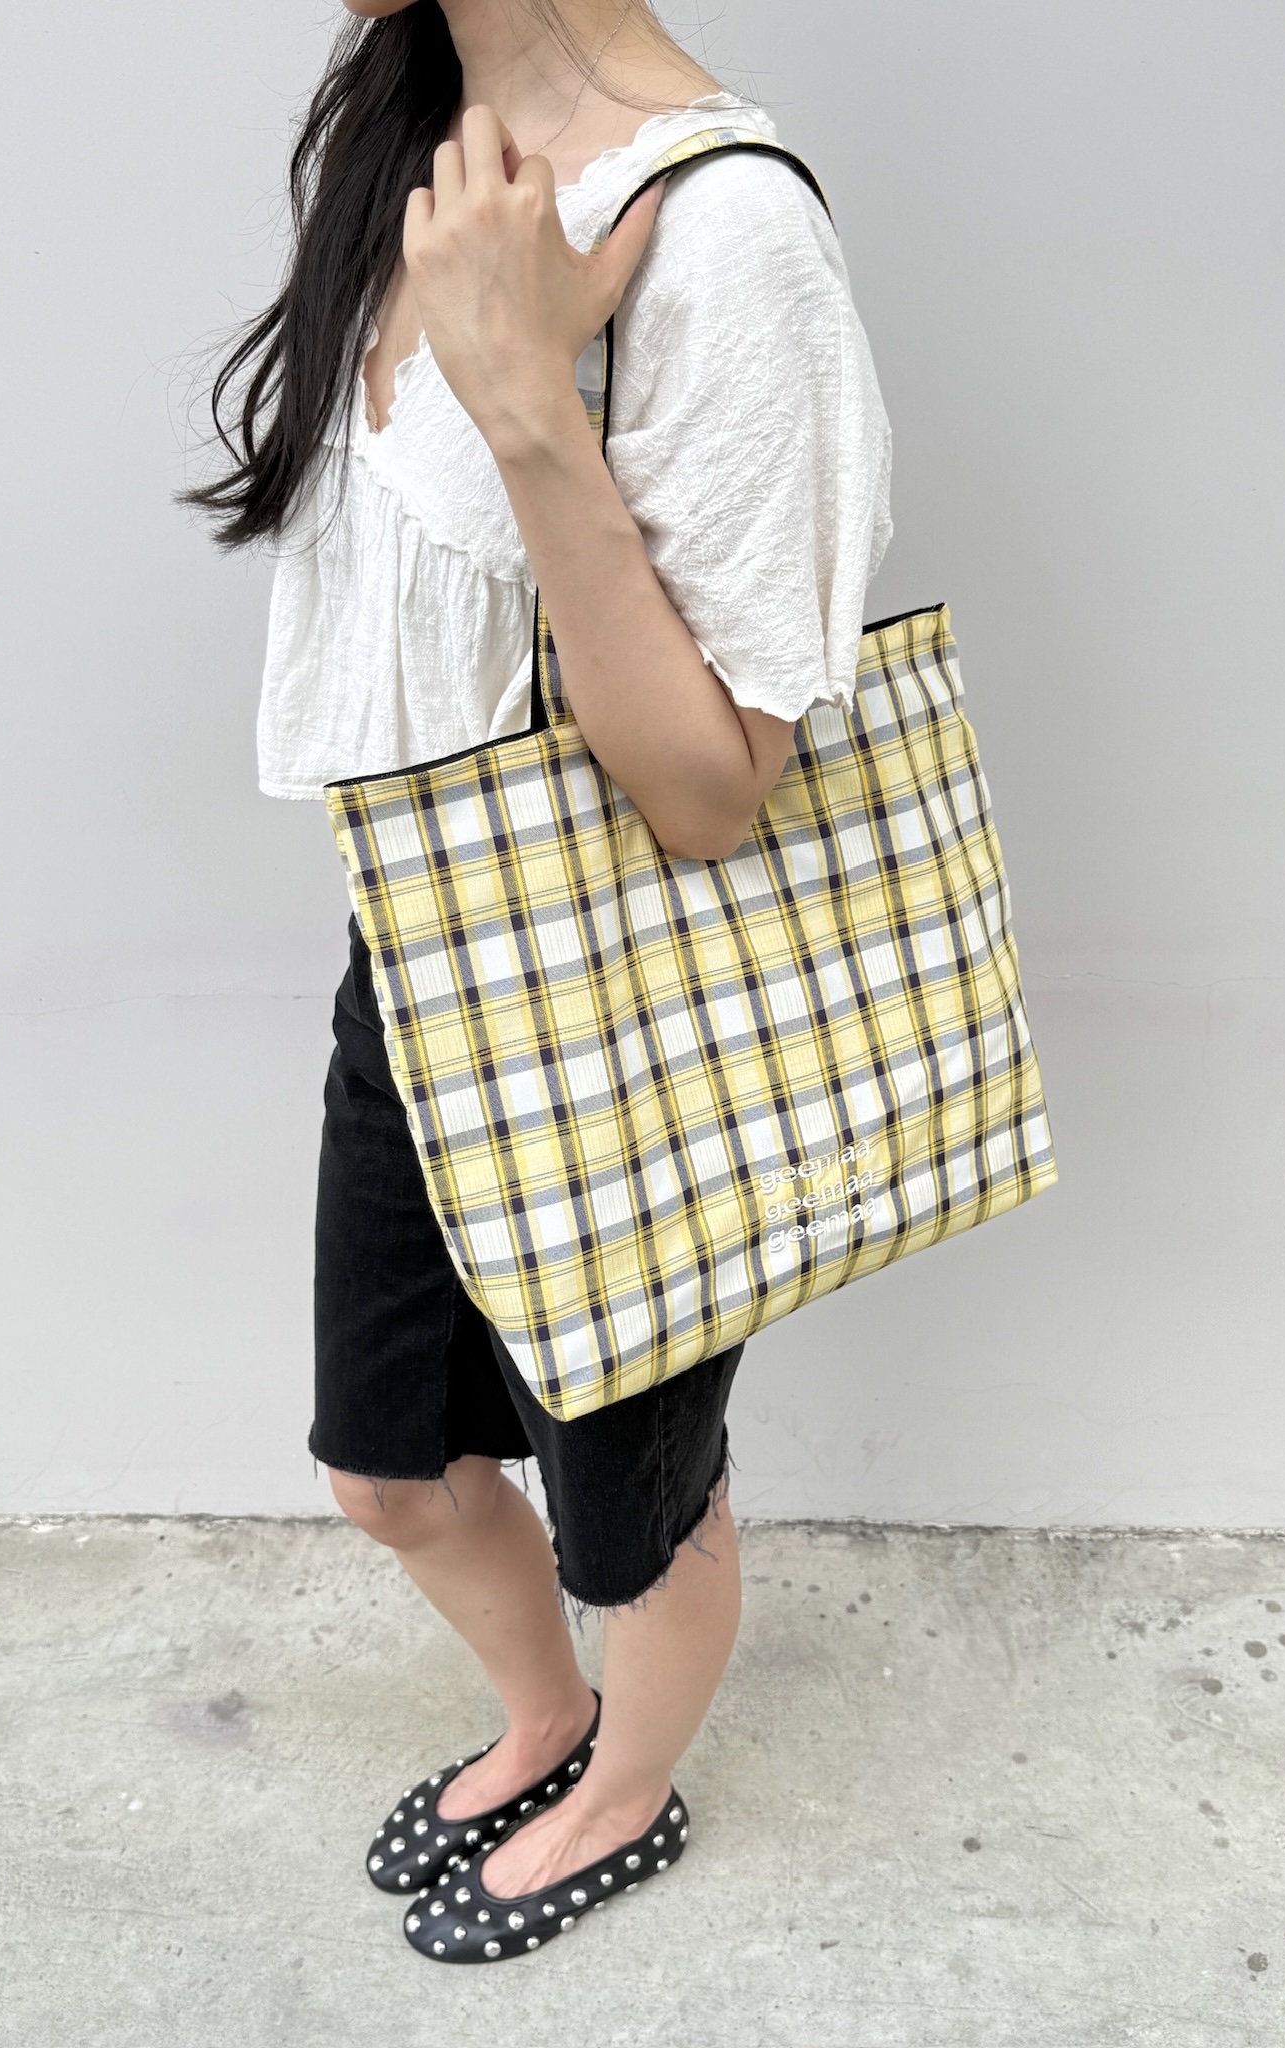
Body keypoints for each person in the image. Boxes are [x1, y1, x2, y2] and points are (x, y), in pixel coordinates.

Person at [186, 0, 890, 1962]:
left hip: (624, 1008)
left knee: (628, 1506)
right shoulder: (423, 143)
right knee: (387, 1464)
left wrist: (526, 401)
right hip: (421, 953)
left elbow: (711, 790)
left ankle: (631, 1781)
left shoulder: (725, 229)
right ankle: (548, 1715)